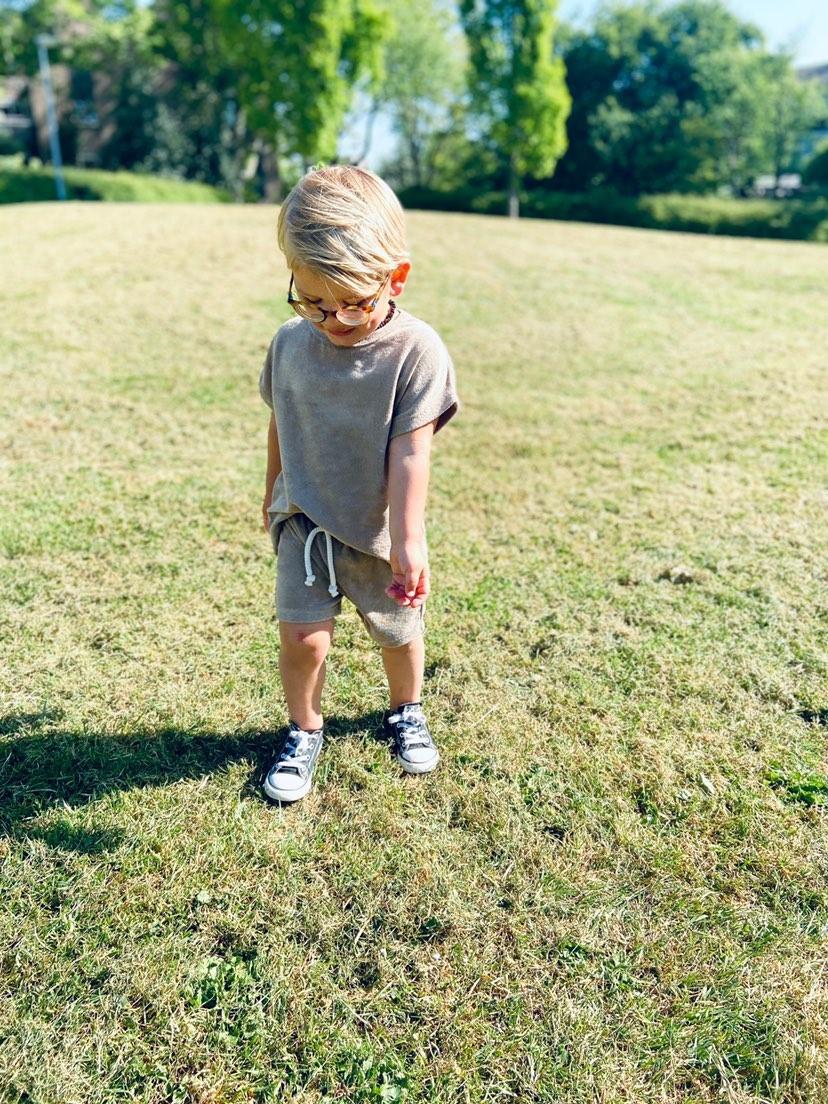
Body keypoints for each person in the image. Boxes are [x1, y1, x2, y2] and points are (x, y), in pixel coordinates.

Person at [258, 165, 460, 803]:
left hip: (377, 531)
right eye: (314, 301)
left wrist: (409, 539)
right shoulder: (290, 343)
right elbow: (279, 423)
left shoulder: (415, 352)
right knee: (302, 637)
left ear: (394, 279)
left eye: (354, 302)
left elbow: (411, 453)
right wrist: (272, 499)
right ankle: (304, 729)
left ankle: (405, 710)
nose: (333, 318)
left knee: (398, 633)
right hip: (306, 522)